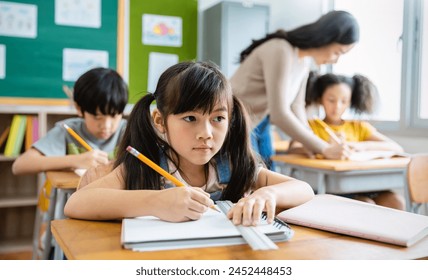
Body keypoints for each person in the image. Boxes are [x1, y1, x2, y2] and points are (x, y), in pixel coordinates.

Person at [64, 61, 314, 226]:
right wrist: (156, 202)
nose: (206, 133)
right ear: (160, 121)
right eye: (190, 118)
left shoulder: (232, 164)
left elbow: (304, 190)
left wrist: (267, 193)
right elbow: (77, 203)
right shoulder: (147, 165)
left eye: (218, 118)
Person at [230, 10, 359, 169]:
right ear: (327, 38)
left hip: (259, 122)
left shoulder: (303, 62)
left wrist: (315, 142)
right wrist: (323, 148)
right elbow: (279, 113)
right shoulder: (281, 50)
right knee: (252, 179)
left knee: (268, 175)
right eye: (338, 52)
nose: (336, 60)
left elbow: (296, 106)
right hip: (235, 122)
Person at [305, 72, 405, 210]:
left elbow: (395, 148)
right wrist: (322, 147)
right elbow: (295, 148)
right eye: (331, 100)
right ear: (321, 99)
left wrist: (359, 146)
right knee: (366, 204)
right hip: (333, 188)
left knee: (396, 202)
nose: (337, 106)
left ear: (351, 101)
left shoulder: (358, 127)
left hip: (365, 184)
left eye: (344, 101)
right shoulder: (313, 127)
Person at [12, 67, 129, 175]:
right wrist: (77, 160)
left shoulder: (128, 131)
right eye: (97, 117)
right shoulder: (67, 130)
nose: (106, 126)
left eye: (114, 116)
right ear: (79, 108)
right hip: (71, 196)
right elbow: (20, 166)